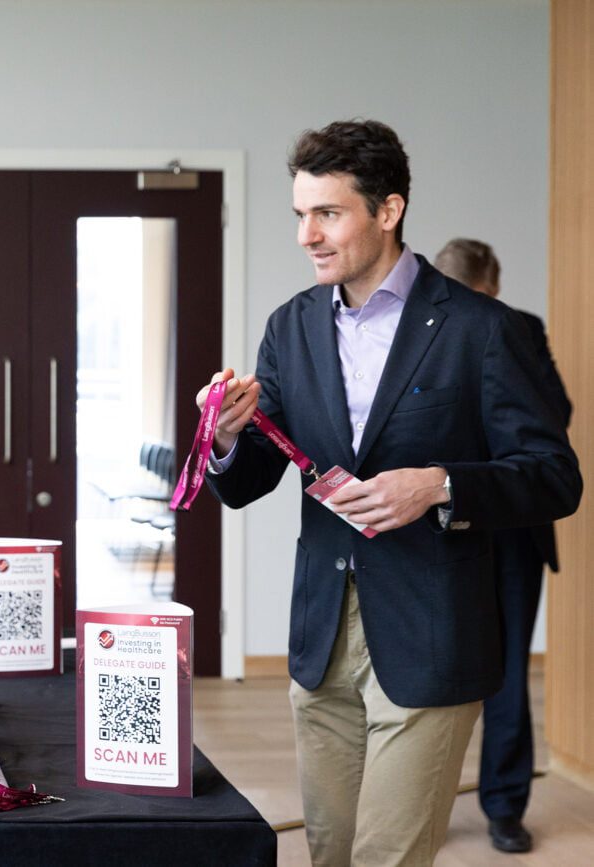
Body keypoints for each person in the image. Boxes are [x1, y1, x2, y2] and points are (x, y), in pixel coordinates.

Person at [197, 120, 581, 865]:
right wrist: (224, 438)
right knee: (331, 850)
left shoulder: (482, 330)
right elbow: (247, 484)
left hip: (432, 633)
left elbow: (554, 474)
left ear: (388, 210)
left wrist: (439, 484)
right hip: (321, 641)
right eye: (300, 214)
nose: (307, 234)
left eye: (328, 213)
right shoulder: (291, 327)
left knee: (385, 855)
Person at [433, 238, 571, 853]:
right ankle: (435, 807)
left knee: (508, 673)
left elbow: (555, 414)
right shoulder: (417, 334)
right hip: (438, 526)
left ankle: (504, 806)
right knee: (434, 673)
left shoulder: (520, 329)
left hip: (512, 527)